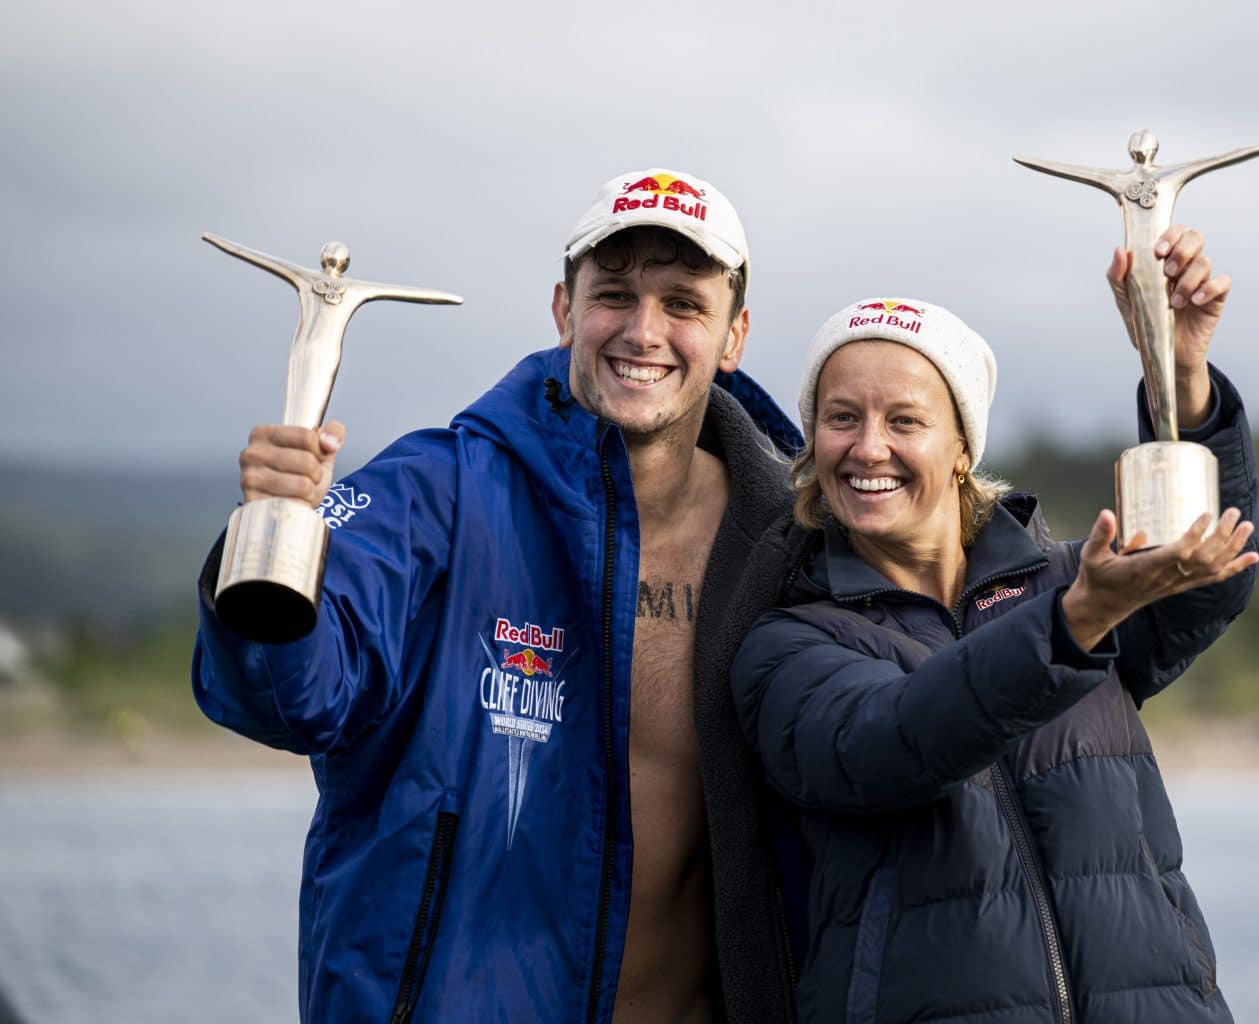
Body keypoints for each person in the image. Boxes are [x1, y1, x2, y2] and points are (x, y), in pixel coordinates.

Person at [192, 168, 803, 1023]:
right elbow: (291, 700)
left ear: (734, 334)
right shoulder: (440, 490)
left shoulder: (793, 542)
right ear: (563, 310)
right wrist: (269, 547)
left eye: (683, 304)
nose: (642, 330)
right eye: (614, 295)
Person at [731, 226, 1259, 1023]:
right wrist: (1075, 620)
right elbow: (893, 740)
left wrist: (1177, 370)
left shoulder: (1069, 583)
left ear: (960, 448)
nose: (867, 446)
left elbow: (1210, 559)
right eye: (841, 418)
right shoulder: (789, 644)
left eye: (904, 420)